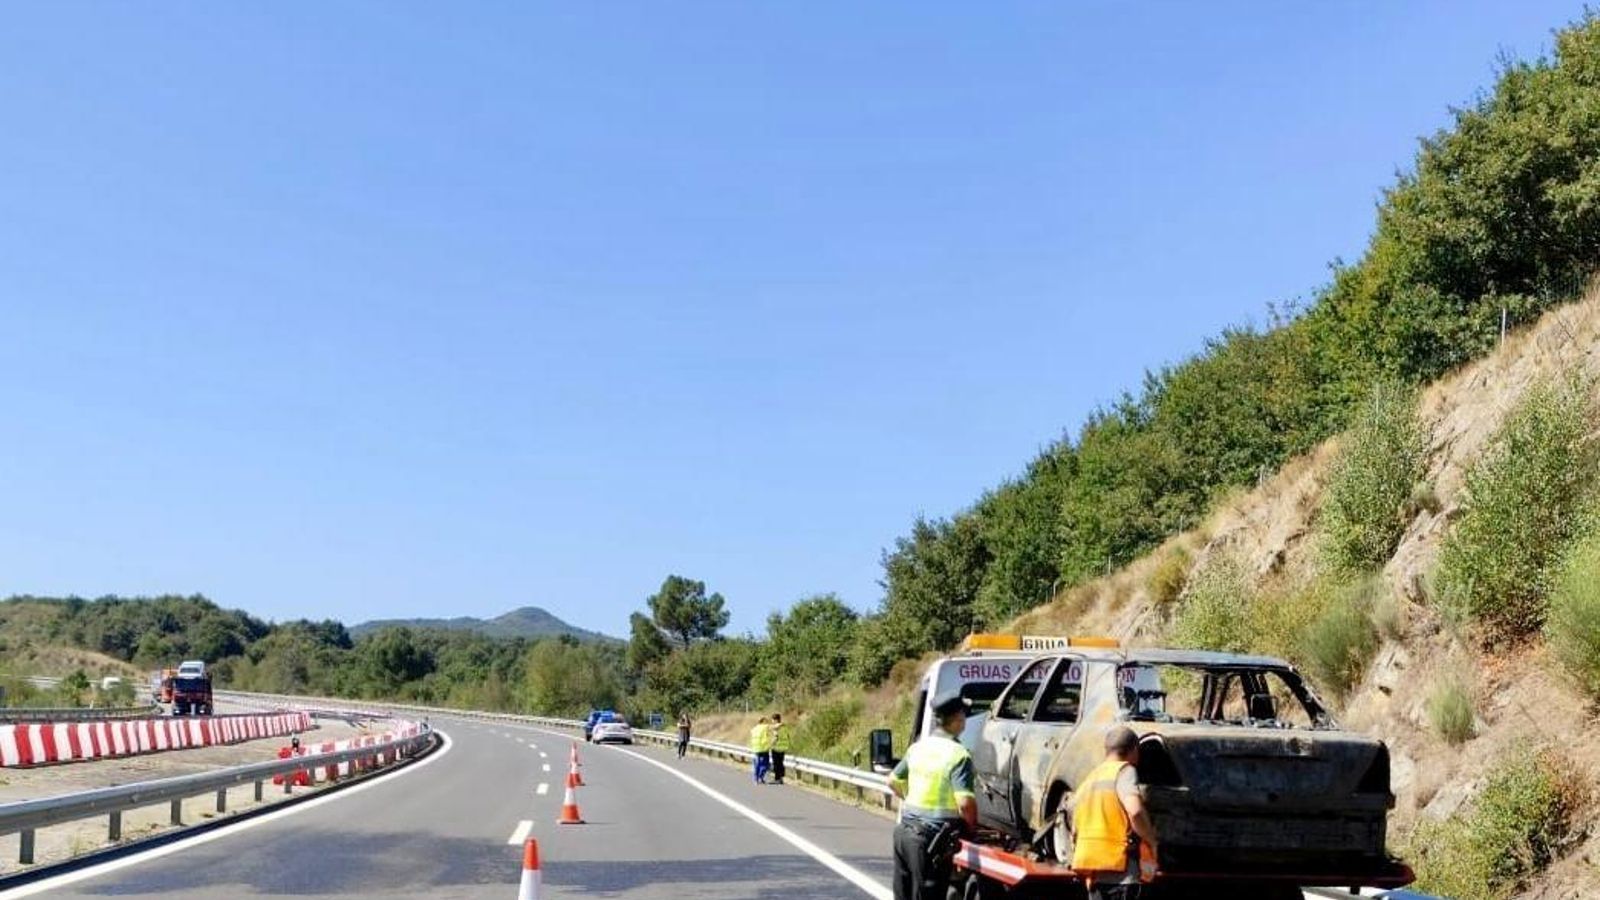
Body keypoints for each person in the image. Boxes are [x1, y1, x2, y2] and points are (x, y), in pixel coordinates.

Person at [888, 691, 976, 900]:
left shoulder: (917, 748)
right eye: (963, 714)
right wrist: (971, 828)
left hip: (904, 834)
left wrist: (909, 800)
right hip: (930, 841)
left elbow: (892, 780)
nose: (965, 719)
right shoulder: (958, 754)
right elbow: (964, 802)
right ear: (957, 719)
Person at [1071, 726, 1159, 900]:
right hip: (1122, 872)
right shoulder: (1125, 771)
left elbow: (1074, 829)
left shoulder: (1090, 779)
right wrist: (1151, 840)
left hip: (1095, 873)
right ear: (1134, 750)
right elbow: (1135, 811)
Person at [769, 712, 790, 784]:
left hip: (776, 748)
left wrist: (770, 745)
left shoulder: (776, 728)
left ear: (775, 720)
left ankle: (777, 779)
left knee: (776, 764)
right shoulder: (785, 727)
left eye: (772, 720)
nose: (771, 721)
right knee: (781, 763)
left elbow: (775, 737)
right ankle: (781, 778)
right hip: (784, 747)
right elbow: (787, 736)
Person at [749, 716, 772, 784]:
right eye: (766, 721)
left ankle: (757, 779)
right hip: (764, 749)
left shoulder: (753, 729)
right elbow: (774, 727)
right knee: (766, 765)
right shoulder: (764, 727)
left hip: (756, 749)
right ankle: (760, 777)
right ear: (763, 721)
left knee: (757, 765)